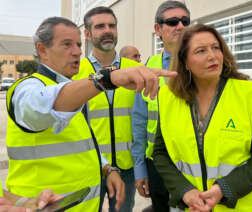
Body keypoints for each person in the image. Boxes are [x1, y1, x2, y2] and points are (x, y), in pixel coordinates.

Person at [5, 17, 176, 212]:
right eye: (67, 44)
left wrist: (106, 169)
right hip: (38, 206)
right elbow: (41, 106)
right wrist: (106, 79)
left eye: (78, 45)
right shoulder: (27, 88)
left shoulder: (68, 89)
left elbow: (80, 144)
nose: (77, 51)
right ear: (42, 50)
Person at [152, 24, 252, 211]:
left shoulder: (251, 95)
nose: (212, 56)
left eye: (216, 48)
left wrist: (224, 189)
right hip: (190, 207)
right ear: (185, 62)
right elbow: (160, 154)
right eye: (201, 51)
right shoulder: (168, 98)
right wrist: (184, 190)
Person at [72, 7, 144, 212]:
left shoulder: (134, 69)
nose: (108, 30)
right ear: (87, 34)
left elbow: (142, 121)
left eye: (112, 25)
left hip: (126, 167)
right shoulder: (77, 71)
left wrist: (140, 166)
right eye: (100, 26)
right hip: (90, 166)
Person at [131, 1, 191, 211]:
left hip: (195, 161)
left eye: (185, 21)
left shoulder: (203, 64)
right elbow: (139, 121)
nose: (180, 26)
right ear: (158, 29)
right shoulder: (149, 68)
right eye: (173, 22)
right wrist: (140, 170)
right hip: (157, 164)